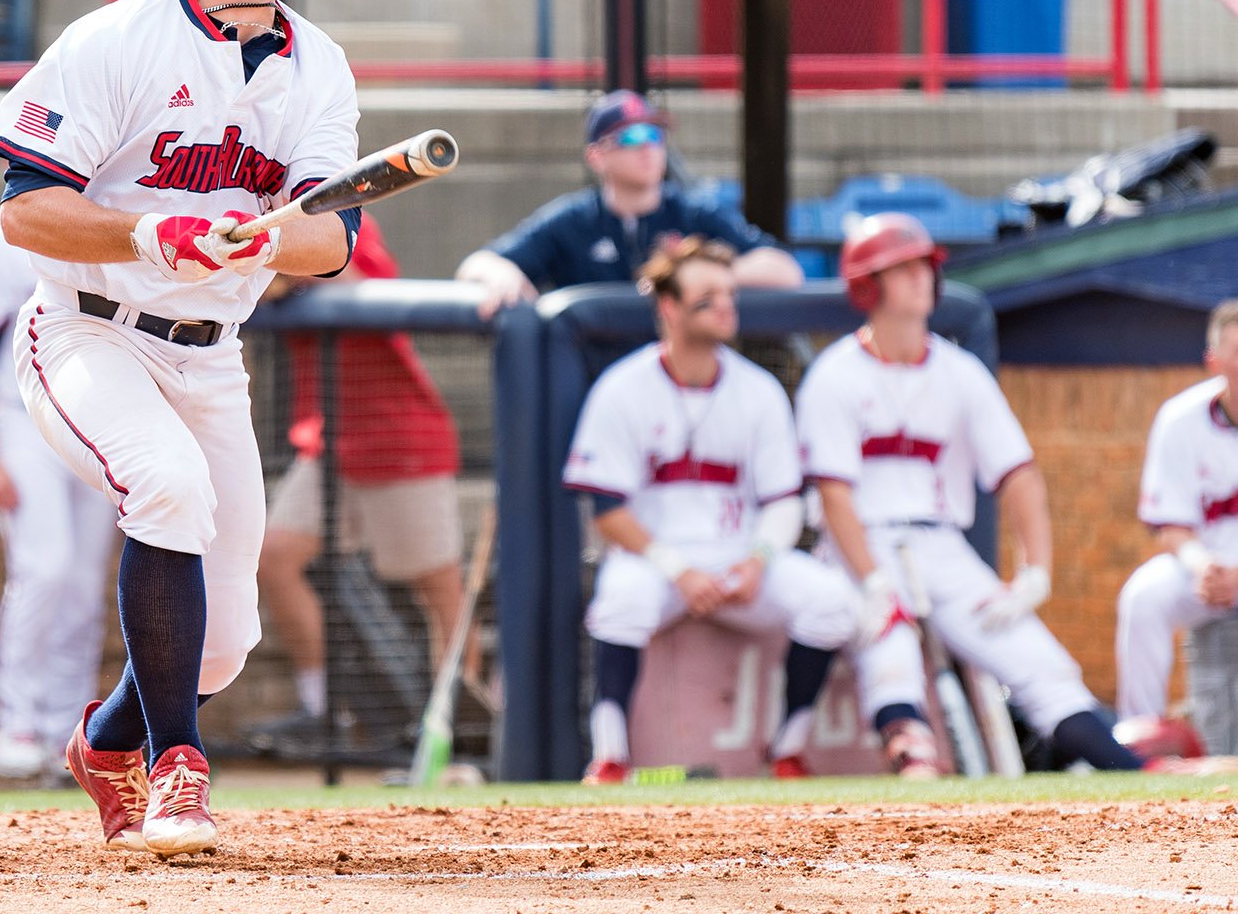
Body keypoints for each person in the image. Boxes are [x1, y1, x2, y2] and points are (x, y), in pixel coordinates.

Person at [0, 0, 360, 857]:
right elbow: (25, 213)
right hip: (86, 334)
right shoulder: (115, 41)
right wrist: (153, 229)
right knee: (165, 486)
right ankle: (178, 771)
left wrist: (274, 235)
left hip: (209, 355)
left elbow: (330, 240)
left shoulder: (316, 66)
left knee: (225, 643)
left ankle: (109, 739)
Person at [795, 212, 1142, 776]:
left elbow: (1019, 475)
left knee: (1039, 661)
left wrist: (1035, 573)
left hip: (941, 545)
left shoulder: (960, 371)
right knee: (892, 654)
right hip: (861, 545)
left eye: (923, 267)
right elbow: (834, 497)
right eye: (900, 269)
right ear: (868, 285)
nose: (920, 279)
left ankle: (1131, 773)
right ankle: (916, 776)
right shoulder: (834, 374)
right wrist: (874, 582)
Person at [565, 236, 859, 783]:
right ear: (670, 308)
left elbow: (781, 502)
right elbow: (606, 509)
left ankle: (788, 750)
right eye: (707, 297)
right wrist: (679, 570)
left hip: (737, 557)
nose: (726, 306)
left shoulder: (758, 390)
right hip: (657, 561)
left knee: (833, 602)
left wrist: (759, 559)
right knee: (618, 601)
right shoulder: (622, 387)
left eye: (729, 294)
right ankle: (610, 757)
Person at [250, 215, 469, 753]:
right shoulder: (253, 214)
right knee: (275, 556)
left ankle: (457, 727)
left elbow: (353, 276)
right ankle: (323, 709)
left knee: (437, 590)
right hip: (327, 436)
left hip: (398, 433)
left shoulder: (338, 216)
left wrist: (280, 264)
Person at [0, 216, 119, 781]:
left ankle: (67, 730)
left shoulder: (109, 224)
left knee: (84, 583)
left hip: (96, 417)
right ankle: (15, 724)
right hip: (22, 419)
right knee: (44, 568)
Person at [455, 89, 802, 316]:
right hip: (593, 387)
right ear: (597, 156)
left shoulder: (693, 211)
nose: (648, 148)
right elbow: (477, 264)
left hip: (680, 377)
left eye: (655, 135)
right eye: (631, 137)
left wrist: (699, 275)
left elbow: (784, 270)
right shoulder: (574, 219)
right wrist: (500, 273)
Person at [1115, 300, 1238, 722]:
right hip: (1209, 567)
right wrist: (1202, 566)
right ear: (1214, 361)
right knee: (1143, 598)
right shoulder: (1180, 419)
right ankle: (1139, 741)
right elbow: (1171, 525)